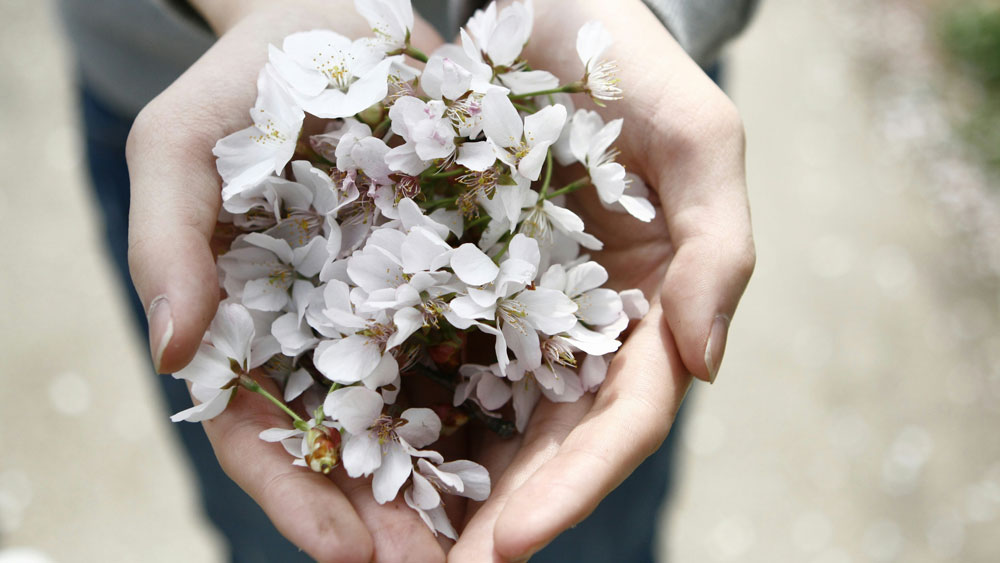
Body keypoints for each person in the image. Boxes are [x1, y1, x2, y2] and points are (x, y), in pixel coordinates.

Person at [58, 0, 757, 560]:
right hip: (184, 81)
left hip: (610, 77)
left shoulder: (528, 181)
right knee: (282, 530)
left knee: (590, 531)